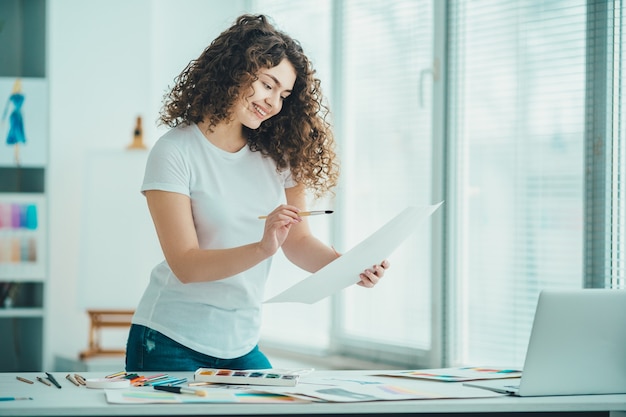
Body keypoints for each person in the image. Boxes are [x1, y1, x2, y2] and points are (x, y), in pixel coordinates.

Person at [125, 14, 389, 372]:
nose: (273, 103)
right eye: (268, 84)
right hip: (170, 340)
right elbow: (185, 264)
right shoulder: (175, 151)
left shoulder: (278, 156)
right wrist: (263, 248)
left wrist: (350, 268)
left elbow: (298, 242)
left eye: (283, 95)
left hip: (241, 343)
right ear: (234, 70)